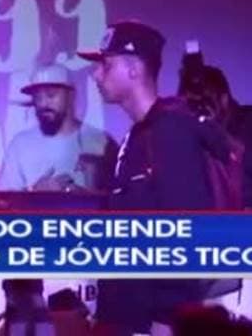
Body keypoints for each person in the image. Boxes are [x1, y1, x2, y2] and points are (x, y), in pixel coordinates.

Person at [78, 21, 238, 336]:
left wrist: (166, 318)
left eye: (106, 65)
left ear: (134, 70)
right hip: (125, 317)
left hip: (150, 323)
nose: (96, 75)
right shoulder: (140, 134)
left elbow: (183, 230)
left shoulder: (171, 131)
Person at [178, 65, 252, 209]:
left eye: (205, 102)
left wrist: (215, 129)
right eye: (191, 105)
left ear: (224, 99)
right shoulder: (192, 134)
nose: (198, 110)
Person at [0, 64, 118, 192]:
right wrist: (34, 191)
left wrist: (84, 194)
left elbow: (120, 197)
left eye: (51, 95)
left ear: (71, 96)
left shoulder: (101, 141)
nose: (43, 104)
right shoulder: (20, 144)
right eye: (38, 97)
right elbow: (3, 199)